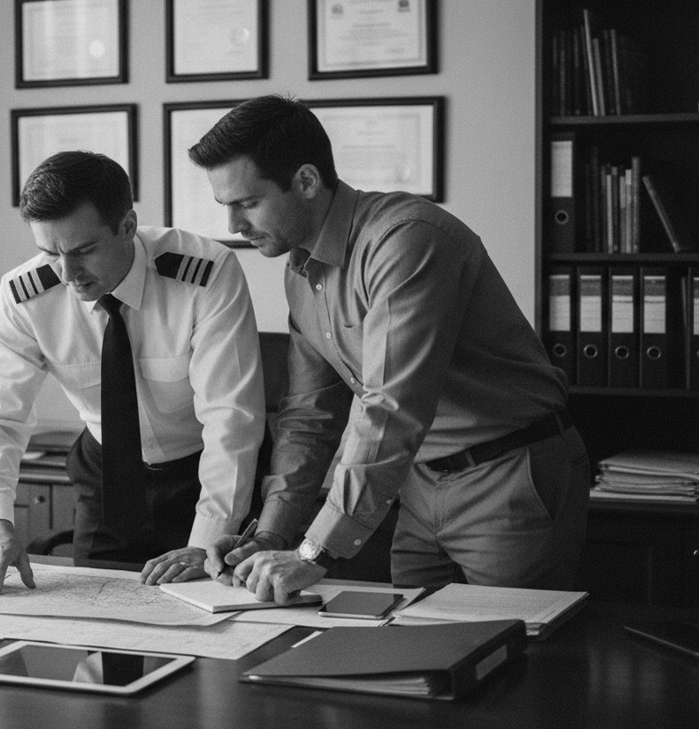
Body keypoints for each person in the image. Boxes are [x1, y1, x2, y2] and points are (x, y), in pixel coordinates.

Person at [189, 95, 591, 604]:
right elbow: (309, 416)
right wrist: (271, 533)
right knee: (413, 648)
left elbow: (391, 405)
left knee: (521, 653)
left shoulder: (406, 239)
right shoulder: (301, 272)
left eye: (246, 203)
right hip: (417, 484)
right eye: (226, 206)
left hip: (506, 478)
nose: (233, 227)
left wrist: (316, 552)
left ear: (308, 181)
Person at [0, 150, 265, 595]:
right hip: (108, 480)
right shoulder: (24, 297)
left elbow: (231, 419)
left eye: (84, 250)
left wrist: (204, 543)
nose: (68, 273)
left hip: (208, 474)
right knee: (101, 623)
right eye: (49, 252)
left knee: (218, 622)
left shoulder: (204, 274)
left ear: (127, 226)